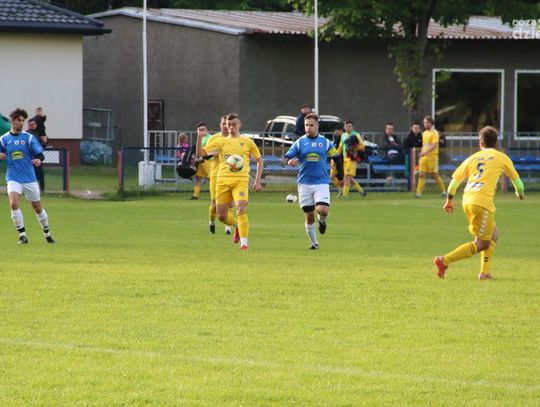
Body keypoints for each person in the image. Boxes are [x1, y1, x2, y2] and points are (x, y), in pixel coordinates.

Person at [433, 126, 524, 280]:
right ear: (496, 143)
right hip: (481, 203)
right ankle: (444, 260)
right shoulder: (502, 157)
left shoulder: (472, 158)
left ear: (480, 143)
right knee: (482, 243)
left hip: (467, 200)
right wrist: (520, 194)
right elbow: (519, 184)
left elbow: (453, 184)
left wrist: (449, 201)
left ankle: (485, 273)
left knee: (493, 234)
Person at [200, 113, 263, 251]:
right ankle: (237, 226)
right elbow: (202, 153)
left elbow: (259, 160)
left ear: (239, 125)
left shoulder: (247, 142)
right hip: (222, 180)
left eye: (234, 124)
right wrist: (200, 137)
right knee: (222, 216)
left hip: (241, 181)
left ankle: (244, 244)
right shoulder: (220, 141)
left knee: (241, 207)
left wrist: (257, 181)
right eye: (229, 125)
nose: (231, 127)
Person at [285, 113, 344, 250]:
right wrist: (289, 161)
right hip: (304, 183)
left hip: (321, 182)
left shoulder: (325, 142)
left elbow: (336, 158)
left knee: (322, 210)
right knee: (309, 215)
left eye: (311, 125)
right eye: (306, 125)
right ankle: (314, 244)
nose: (308, 128)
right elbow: (286, 156)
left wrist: (340, 176)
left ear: (317, 125)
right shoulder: (300, 142)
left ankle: (322, 221)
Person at [0, 108, 55, 244]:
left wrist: (39, 160)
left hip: (29, 178)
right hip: (13, 177)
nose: (21, 123)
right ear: (13, 121)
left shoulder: (28, 138)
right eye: (19, 120)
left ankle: (47, 233)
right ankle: (22, 235)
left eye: (23, 120)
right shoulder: (4, 139)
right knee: (13, 204)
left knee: (37, 208)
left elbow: (40, 154)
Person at [196, 115, 233, 235]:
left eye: (228, 124)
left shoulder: (235, 139)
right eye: (224, 124)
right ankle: (211, 222)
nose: (226, 126)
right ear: (220, 125)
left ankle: (228, 228)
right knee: (215, 204)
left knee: (229, 203)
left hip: (231, 174)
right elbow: (205, 154)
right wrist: (218, 152)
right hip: (216, 175)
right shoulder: (214, 139)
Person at [415, 116, 446, 198]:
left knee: (434, 175)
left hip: (432, 156)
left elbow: (434, 145)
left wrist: (425, 153)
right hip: (424, 157)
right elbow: (424, 145)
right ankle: (418, 193)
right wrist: (421, 153)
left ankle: (444, 191)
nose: (425, 124)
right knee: (421, 174)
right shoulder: (424, 133)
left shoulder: (435, 133)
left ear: (431, 123)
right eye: (424, 123)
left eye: (427, 123)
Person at [337, 120, 366, 197]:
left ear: (352, 127)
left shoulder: (356, 135)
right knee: (348, 178)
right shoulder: (343, 135)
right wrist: (335, 155)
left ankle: (345, 195)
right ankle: (362, 191)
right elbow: (340, 147)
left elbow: (362, 146)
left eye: (349, 126)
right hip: (345, 158)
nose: (348, 128)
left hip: (352, 158)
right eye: (346, 126)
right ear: (344, 127)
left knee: (347, 176)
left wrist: (353, 148)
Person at [191, 122, 212, 200]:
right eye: (200, 129)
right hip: (200, 161)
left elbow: (209, 150)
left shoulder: (210, 138)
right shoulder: (200, 138)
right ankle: (195, 195)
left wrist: (202, 157)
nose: (202, 131)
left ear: (207, 130)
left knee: (211, 179)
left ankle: (214, 195)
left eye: (203, 129)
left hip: (208, 161)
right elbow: (198, 150)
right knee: (198, 177)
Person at [27, 118, 47, 191]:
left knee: (40, 173)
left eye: (33, 124)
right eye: (30, 124)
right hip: (28, 157)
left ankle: (42, 189)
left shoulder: (40, 133)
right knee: (29, 173)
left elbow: (45, 143)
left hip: (38, 156)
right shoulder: (26, 134)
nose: (32, 126)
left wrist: (42, 144)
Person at [329, 125, 344, 196]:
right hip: (334, 160)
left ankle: (343, 191)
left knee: (341, 177)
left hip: (340, 160)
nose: (336, 133)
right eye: (335, 132)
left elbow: (339, 150)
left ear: (341, 131)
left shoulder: (342, 139)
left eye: (337, 132)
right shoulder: (336, 139)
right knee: (332, 177)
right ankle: (341, 190)